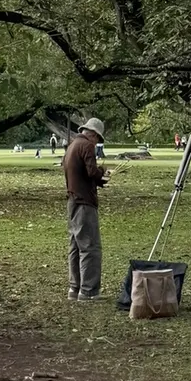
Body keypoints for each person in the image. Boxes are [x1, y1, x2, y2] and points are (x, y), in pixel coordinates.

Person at [64, 116, 108, 300]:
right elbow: (91, 172)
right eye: (98, 138)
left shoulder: (72, 145)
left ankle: (74, 288)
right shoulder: (87, 145)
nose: (97, 142)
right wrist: (103, 174)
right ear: (93, 134)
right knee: (90, 246)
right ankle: (89, 291)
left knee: (75, 245)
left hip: (72, 199)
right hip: (84, 201)